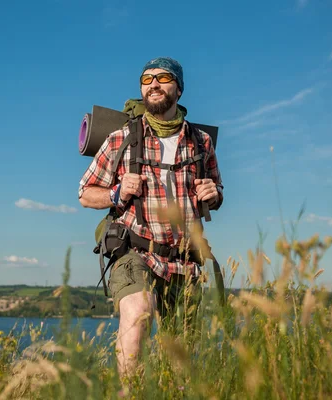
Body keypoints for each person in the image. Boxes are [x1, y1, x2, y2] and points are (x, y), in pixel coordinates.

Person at [78, 57, 224, 379]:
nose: (154, 84)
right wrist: (116, 193)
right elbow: (85, 193)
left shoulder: (202, 142)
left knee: (182, 358)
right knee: (138, 316)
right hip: (135, 251)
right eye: (146, 80)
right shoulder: (122, 138)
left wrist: (214, 194)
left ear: (179, 89)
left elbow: (216, 193)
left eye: (163, 77)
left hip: (184, 259)